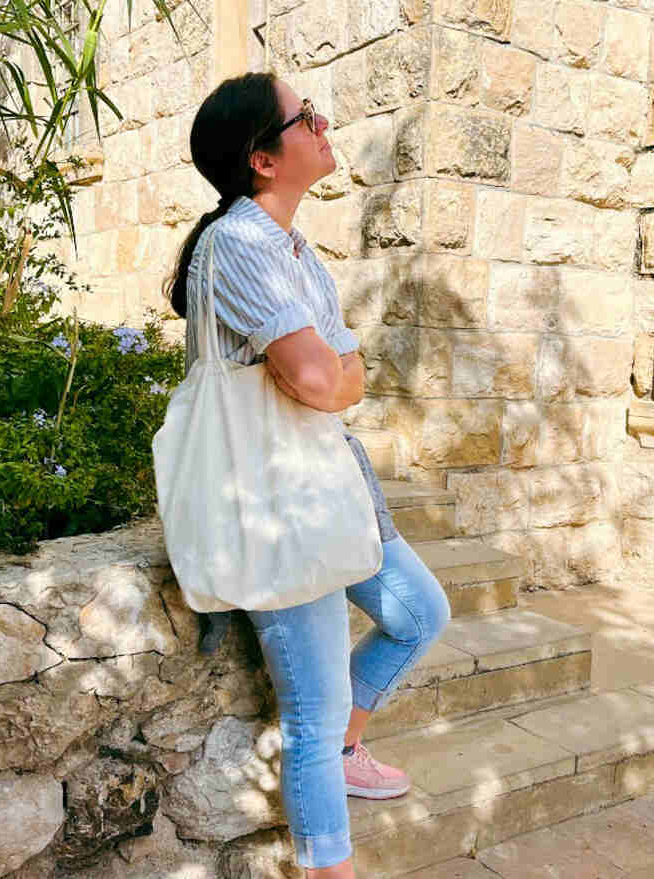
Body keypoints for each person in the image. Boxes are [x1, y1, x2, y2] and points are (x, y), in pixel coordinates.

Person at [163, 72, 452, 878]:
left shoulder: (294, 250)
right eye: (307, 117)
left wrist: (326, 373)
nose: (326, 123)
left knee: (420, 610)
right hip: (271, 496)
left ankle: (352, 747)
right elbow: (328, 380)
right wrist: (325, 373)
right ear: (262, 157)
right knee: (313, 714)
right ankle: (331, 865)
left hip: (328, 477)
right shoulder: (238, 244)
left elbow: (339, 375)